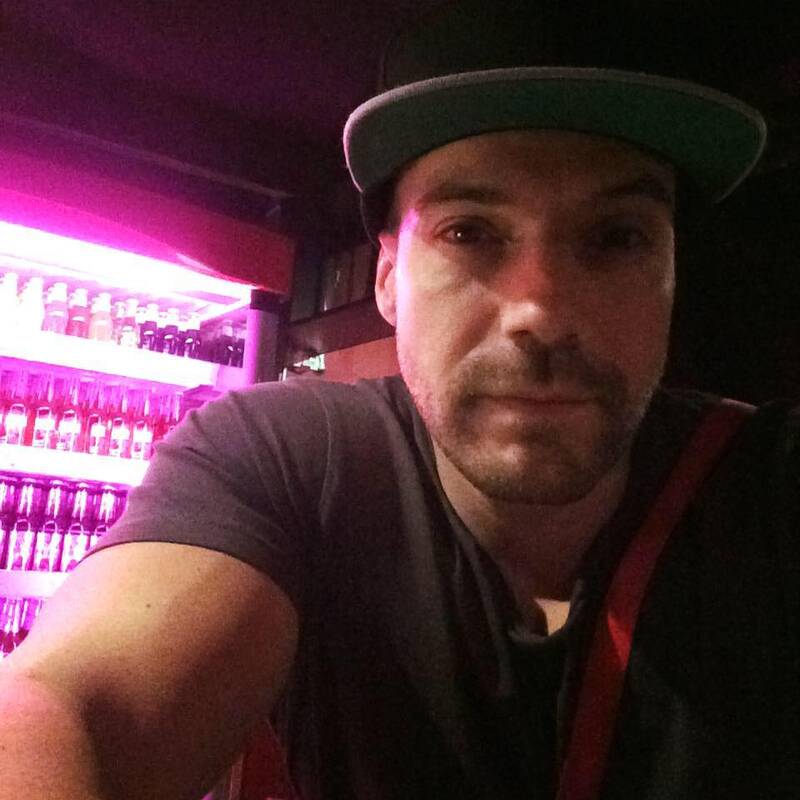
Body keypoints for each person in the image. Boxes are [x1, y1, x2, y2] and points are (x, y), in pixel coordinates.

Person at [1, 3, 797, 799]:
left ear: (672, 278)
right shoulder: (285, 458)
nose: (542, 311)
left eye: (618, 236)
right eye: (469, 232)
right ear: (388, 280)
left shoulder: (768, 481)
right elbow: (70, 706)